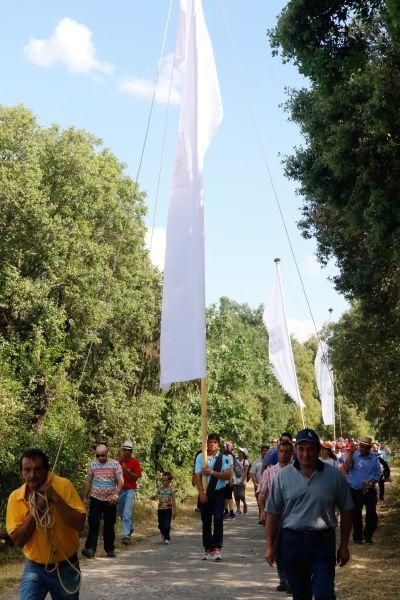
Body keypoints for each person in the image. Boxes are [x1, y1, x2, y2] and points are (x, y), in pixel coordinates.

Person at [265, 428, 353, 600]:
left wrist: (344, 545)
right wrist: (269, 545)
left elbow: (347, 509)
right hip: (293, 542)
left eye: (311, 449)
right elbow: (273, 513)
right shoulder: (283, 477)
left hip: (323, 542)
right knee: (300, 594)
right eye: (302, 449)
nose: (306, 454)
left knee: (324, 593)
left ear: (318, 450)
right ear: (295, 449)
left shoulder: (334, 476)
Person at [6, 448, 86, 600]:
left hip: (66, 566)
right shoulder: (15, 498)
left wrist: (55, 497)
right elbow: (18, 540)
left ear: (47, 470)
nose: (32, 475)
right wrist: (36, 509)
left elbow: (80, 524)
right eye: (27, 470)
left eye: (37, 469)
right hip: (34, 568)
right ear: (21, 472)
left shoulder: (64, 486)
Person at [257, 440, 293, 592]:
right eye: (281, 451)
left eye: (287, 451)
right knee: (277, 548)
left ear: (292, 454)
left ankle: (292, 580)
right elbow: (261, 493)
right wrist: (262, 511)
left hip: (293, 516)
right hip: (275, 516)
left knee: (292, 549)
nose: (284, 454)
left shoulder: (297, 471)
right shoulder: (269, 472)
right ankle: (283, 579)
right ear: (277, 453)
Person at [194, 432, 232, 561]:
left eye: (215, 442)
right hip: (205, 493)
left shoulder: (223, 458)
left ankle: (217, 548)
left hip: (218, 492)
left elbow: (228, 475)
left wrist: (212, 472)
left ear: (218, 444)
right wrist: (201, 494)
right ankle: (207, 548)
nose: (212, 444)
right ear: (207, 443)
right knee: (206, 521)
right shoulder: (201, 457)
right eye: (210, 442)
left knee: (218, 518)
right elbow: (197, 476)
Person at [82, 444, 124, 558]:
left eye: (103, 455)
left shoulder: (115, 464)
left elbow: (121, 481)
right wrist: (85, 497)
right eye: (98, 455)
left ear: (107, 453)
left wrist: (115, 495)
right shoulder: (93, 465)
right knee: (93, 523)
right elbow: (89, 481)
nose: (100, 458)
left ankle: (109, 549)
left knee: (109, 525)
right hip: (95, 498)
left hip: (110, 500)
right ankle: (90, 549)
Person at [345, 436, 381, 543]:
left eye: (366, 447)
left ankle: (368, 536)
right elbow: (346, 467)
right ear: (359, 446)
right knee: (356, 513)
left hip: (370, 491)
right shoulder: (353, 455)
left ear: (370, 447)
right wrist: (350, 453)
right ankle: (358, 537)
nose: (363, 449)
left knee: (371, 513)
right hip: (355, 491)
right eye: (361, 446)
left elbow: (378, 474)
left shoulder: (374, 458)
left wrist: (371, 481)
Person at [117, 440, 142, 545]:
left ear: (131, 451)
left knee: (127, 512)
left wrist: (127, 470)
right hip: (120, 489)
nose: (126, 452)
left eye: (129, 450)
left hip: (130, 489)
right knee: (121, 512)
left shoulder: (135, 462)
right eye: (125, 450)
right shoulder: (118, 462)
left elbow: (136, 477)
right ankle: (130, 527)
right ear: (122, 450)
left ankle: (126, 535)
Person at [250, 445, 269, 523]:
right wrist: (255, 483)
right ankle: (261, 517)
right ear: (261, 452)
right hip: (258, 486)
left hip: (269, 486)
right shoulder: (256, 462)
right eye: (263, 451)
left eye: (266, 451)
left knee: (268, 503)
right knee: (260, 502)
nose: (265, 452)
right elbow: (253, 473)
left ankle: (267, 519)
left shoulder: (272, 462)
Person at [156, 471, 176, 544]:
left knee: (167, 524)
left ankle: (167, 538)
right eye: (162, 480)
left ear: (169, 481)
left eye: (165, 480)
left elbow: (174, 501)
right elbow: (156, 497)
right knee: (160, 525)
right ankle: (163, 534)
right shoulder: (159, 490)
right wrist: (154, 498)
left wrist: (175, 511)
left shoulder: (171, 491)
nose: (163, 482)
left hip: (168, 509)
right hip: (160, 509)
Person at [232, 447, 250, 515]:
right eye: (239, 451)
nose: (239, 453)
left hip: (242, 481)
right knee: (236, 495)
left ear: (244, 453)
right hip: (235, 480)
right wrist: (231, 479)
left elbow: (245, 472)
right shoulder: (235, 460)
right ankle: (238, 509)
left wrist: (242, 481)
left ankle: (244, 503)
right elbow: (232, 469)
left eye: (241, 452)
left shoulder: (245, 461)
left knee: (241, 494)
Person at [222, 441, 236, 520]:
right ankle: (226, 511)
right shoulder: (223, 455)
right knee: (225, 496)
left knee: (229, 496)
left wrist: (230, 479)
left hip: (228, 479)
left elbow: (231, 468)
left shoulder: (230, 456)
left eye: (224, 447)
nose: (223, 448)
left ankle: (231, 512)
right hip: (224, 479)